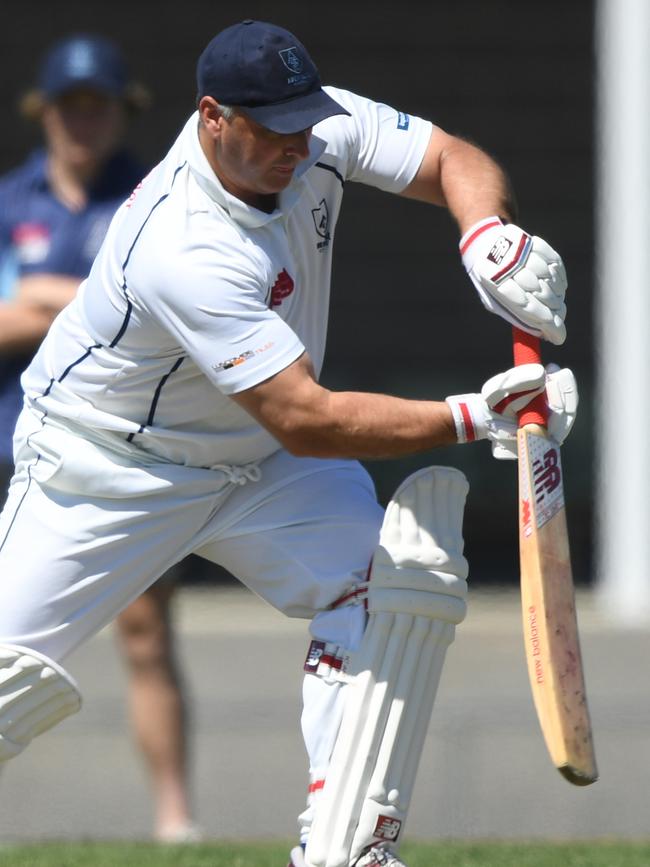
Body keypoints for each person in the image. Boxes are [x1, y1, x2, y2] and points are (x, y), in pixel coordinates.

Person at [0, 20, 576, 867]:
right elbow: (306, 417)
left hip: (258, 464)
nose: (296, 148)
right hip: (107, 466)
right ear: (212, 117)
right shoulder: (181, 242)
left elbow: (454, 157)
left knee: (386, 588)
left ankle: (343, 845)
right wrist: (474, 418)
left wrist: (487, 236)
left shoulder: (316, 128)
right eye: (272, 129)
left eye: (303, 124)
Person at [0, 34, 200, 842]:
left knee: (147, 630)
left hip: (123, 447)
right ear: (45, 114)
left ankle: (177, 821)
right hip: (10, 439)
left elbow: (165, 314)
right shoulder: (11, 201)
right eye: (71, 105)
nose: (84, 120)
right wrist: (84, 300)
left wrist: (44, 296)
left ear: (123, 113)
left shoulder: (154, 199)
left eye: (100, 105)